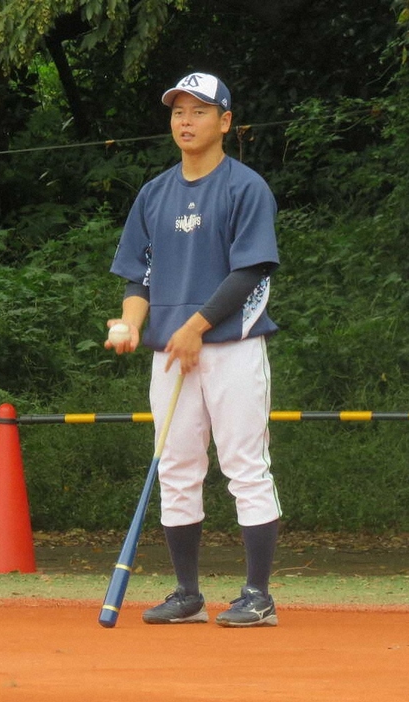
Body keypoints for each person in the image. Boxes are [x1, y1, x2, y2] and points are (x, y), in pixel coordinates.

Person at [106, 72, 282, 628]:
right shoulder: (154, 193)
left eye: (199, 111)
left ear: (225, 121)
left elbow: (251, 270)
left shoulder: (245, 186)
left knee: (245, 468)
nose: (186, 120)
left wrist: (198, 325)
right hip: (170, 353)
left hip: (232, 346)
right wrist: (133, 325)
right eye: (179, 111)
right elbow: (138, 277)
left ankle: (258, 594)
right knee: (177, 468)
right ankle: (187, 594)